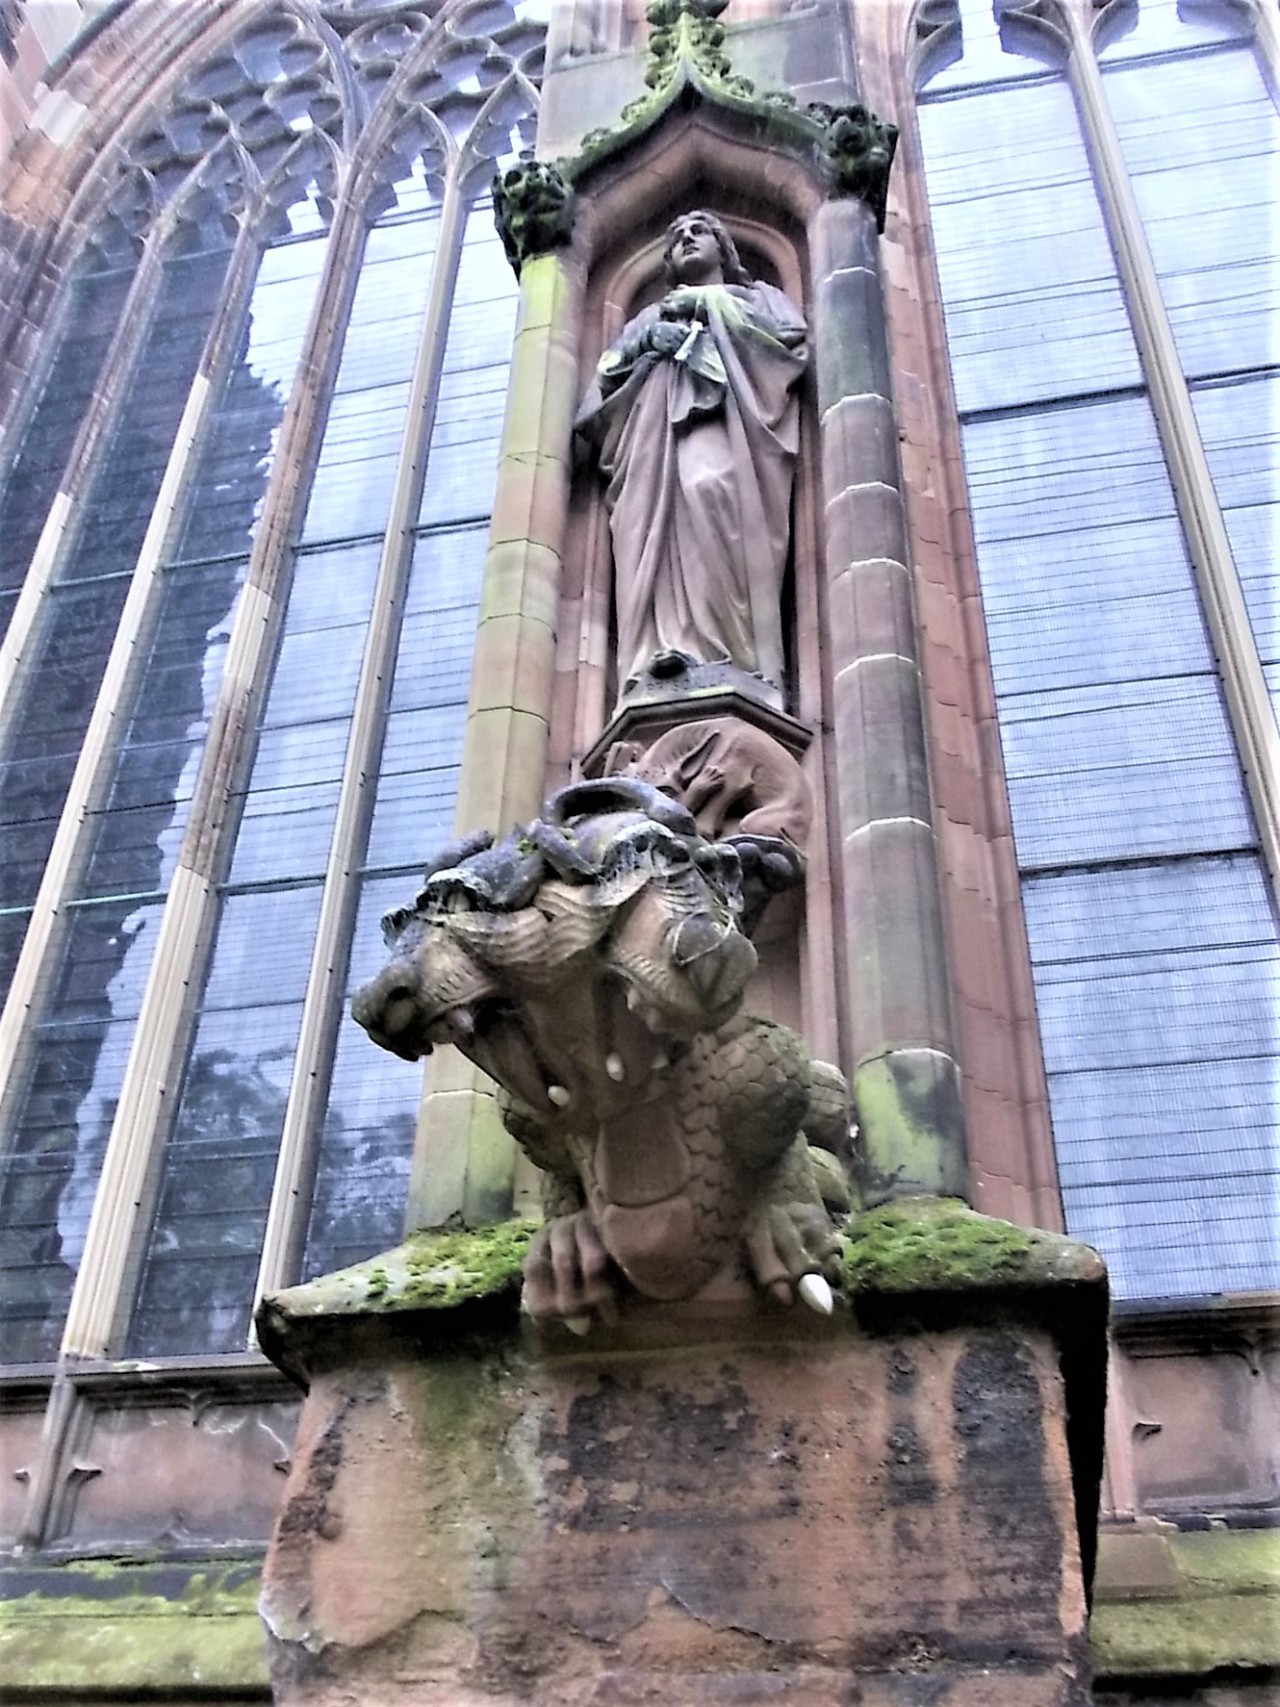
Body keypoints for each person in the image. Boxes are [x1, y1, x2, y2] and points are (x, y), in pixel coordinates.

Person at [577, 211, 808, 698]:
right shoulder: (649, 316)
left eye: (698, 231)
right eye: (675, 236)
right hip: (653, 444)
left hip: (722, 426)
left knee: (711, 488)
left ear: (724, 247)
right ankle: (662, 652)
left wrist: (710, 304)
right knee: (647, 532)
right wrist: (647, 342)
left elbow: (789, 346)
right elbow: (602, 387)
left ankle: (734, 655)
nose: (685, 238)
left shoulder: (759, 298)